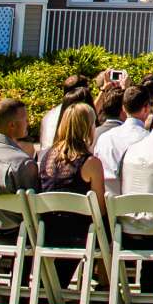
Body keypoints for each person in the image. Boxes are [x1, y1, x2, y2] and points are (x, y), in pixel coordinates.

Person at [33, 103, 107, 260]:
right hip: (80, 237)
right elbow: (100, 210)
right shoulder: (91, 163)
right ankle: (105, 283)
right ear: (89, 127)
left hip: (48, 233)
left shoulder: (46, 156)